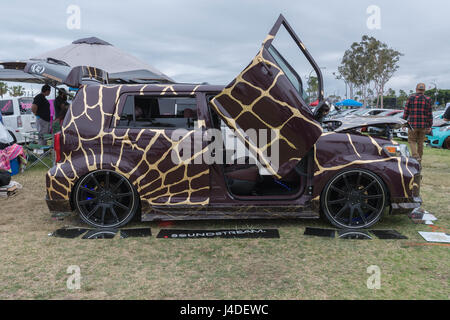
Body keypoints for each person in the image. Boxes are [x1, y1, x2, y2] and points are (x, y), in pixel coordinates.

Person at [403, 83, 433, 164]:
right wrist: (430, 125)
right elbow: (429, 114)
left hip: (412, 124)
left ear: (416, 89)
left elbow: (406, 111)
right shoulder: (428, 99)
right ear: (424, 90)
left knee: (411, 141)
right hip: (423, 125)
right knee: (420, 143)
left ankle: (415, 156)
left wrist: (403, 122)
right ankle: (418, 162)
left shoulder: (411, 98)